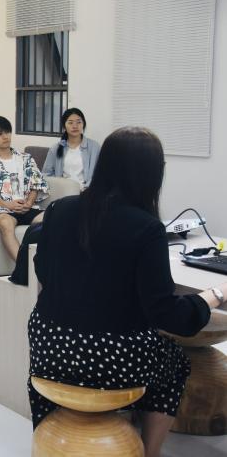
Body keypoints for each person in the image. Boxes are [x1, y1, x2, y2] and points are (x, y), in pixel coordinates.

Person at [28, 126, 225, 457]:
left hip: (48, 349)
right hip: (109, 361)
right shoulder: (146, 228)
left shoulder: (59, 210)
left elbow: (43, 271)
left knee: (144, 343)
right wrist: (216, 294)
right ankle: (149, 451)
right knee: (174, 361)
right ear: (152, 174)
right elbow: (168, 315)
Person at [0, 116, 48, 260]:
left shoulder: (26, 158)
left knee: (51, 218)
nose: (5, 137)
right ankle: (23, 267)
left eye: (7, 132)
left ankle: (51, 264)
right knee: (6, 223)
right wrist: (7, 204)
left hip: (25, 208)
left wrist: (29, 203)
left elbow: (36, 183)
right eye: (0, 134)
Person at [42, 108, 101, 190]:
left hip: (86, 191)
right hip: (62, 191)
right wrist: (58, 186)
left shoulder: (94, 147)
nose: (75, 126)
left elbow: (100, 173)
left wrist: (87, 189)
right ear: (64, 126)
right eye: (70, 123)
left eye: (78, 122)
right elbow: (46, 174)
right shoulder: (55, 148)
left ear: (83, 124)